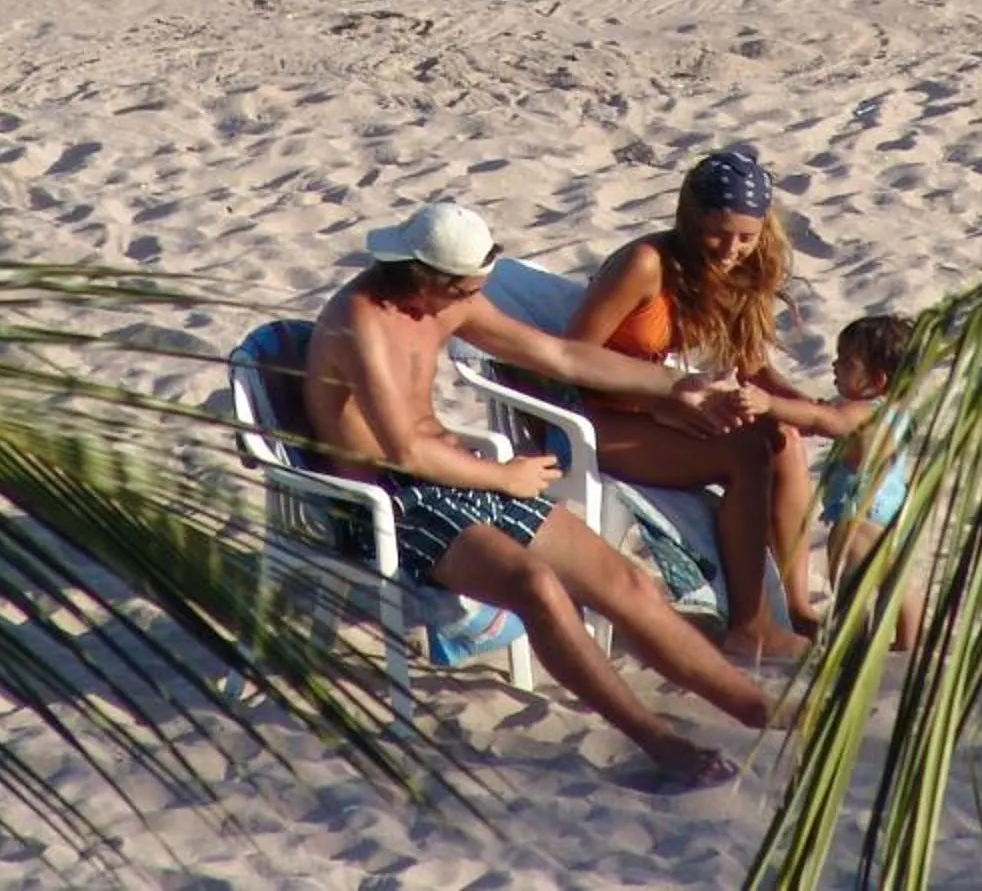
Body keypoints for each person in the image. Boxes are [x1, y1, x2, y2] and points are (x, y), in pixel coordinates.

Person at [301, 197, 784, 790]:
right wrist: (505, 477)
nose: (474, 300)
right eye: (466, 290)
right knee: (537, 587)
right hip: (387, 501)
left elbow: (559, 355)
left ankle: (757, 708)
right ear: (428, 278)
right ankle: (659, 741)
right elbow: (403, 451)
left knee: (627, 583)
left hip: (458, 474)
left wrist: (675, 385)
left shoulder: (447, 300)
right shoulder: (361, 321)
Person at [564, 145, 848, 656]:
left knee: (782, 439)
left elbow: (751, 364)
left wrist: (808, 408)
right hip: (589, 415)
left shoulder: (737, 268)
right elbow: (571, 362)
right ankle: (750, 625)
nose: (730, 248)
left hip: (654, 407)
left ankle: (794, 609)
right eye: (718, 232)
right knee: (746, 455)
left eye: (746, 236)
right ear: (691, 217)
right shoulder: (645, 265)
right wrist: (661, 405)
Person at [813, 313, 922, 651]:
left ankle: (853, 642)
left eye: (846, 361)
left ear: (876, 380)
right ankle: (908, 642)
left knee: (849, 582)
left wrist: (770, 405)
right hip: (895, 510)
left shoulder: (860, 413)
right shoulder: (897, 411)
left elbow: (821, 420)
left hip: (859, 512)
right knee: (898, 581)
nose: (834, 365)